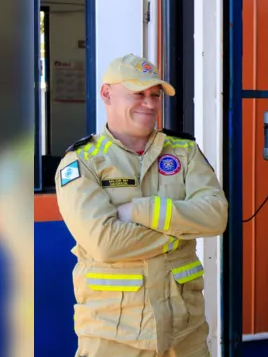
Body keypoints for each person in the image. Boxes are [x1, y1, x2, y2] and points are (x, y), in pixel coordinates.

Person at [55, 53, 228, 357]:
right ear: (106, 93)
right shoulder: (82, 162)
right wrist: (183, 229)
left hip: (184, 336)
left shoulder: (185, 152)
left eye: (155, 95)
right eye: (138, 93)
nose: (149, 103)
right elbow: (105, 243)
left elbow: (216, 217)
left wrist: (139, 211)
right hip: (112, 338)